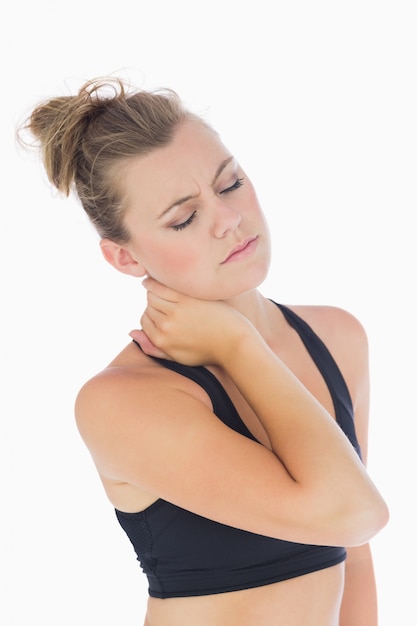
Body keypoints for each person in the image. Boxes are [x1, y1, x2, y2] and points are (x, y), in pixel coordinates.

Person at [19, 76, 389, 626]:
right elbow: (353, 514)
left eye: (231, 183)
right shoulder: (122, 403)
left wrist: (243, 344)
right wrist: (240, 347)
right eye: (184, 218)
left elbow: (354, 557)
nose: (228, 219)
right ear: (124, 259)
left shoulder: (337, 338)